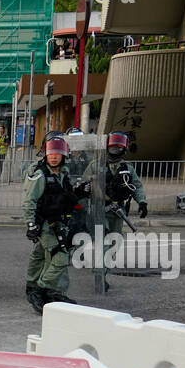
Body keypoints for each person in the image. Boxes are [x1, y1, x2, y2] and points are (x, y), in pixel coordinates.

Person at [23, 134, 86, 312]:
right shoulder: (40, 175)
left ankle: (49, 291)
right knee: (60, 255)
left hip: (59, 221)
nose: (54, 156)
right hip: (45, 224)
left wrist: (80, 193)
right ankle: (42, 289)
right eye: (51, 153)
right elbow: (29, 201)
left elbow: (65, 195)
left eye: (58, 153)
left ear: (64, 155)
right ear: (45, 154)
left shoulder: (62, 173)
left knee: (40, 255)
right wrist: (30, 224)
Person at [93, 130, 147, 235]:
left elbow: (136, 186)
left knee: (115, 241)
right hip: (99, 210)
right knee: (103, 239)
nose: (115, 149)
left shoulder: (128, 168)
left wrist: (142, 202)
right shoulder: (96, 165)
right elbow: (85, 185)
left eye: (118, 146)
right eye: (113, 145)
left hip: (117, 211)